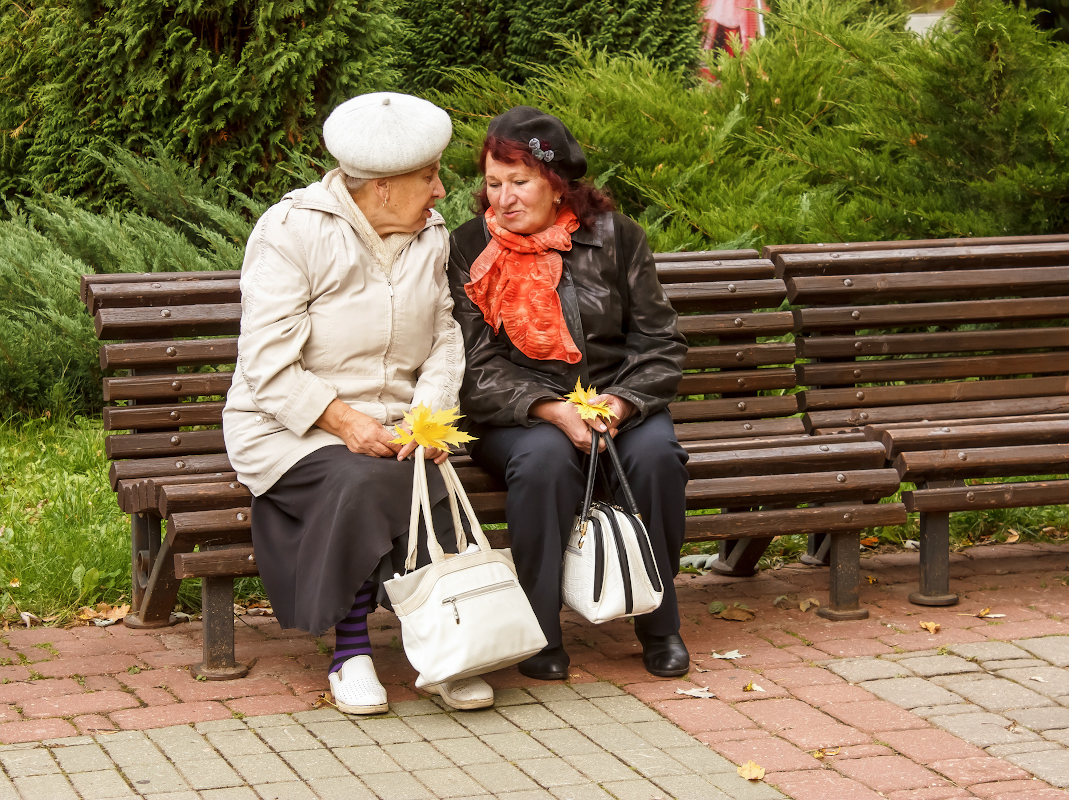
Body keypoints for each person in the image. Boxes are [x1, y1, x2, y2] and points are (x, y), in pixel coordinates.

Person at [223, 92, 494, 714]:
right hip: (289, 426)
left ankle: (447, 646)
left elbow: (446, 335)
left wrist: (428, 418)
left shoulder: (427, 235)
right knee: (367, 477)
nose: (440, 191)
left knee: (428, 473)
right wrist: (347, 422)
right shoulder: (294, 232)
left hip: (396, 422)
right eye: (428, 177)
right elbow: (266, 365)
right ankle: (350, 652)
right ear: (381, 189)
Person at [447, 106, 691, 680]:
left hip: (617, 402)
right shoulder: (468, 247)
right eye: (493, 183)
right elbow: (474, 362)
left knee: (656, 459)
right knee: (544, 463)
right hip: (519, 414)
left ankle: (660, 623)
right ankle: (540, 635)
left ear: (556, 185)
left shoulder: (617, 237)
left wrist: (621, 402)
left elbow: (660, 341)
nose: (502, 199)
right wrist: (551, 409)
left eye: (520, 181)